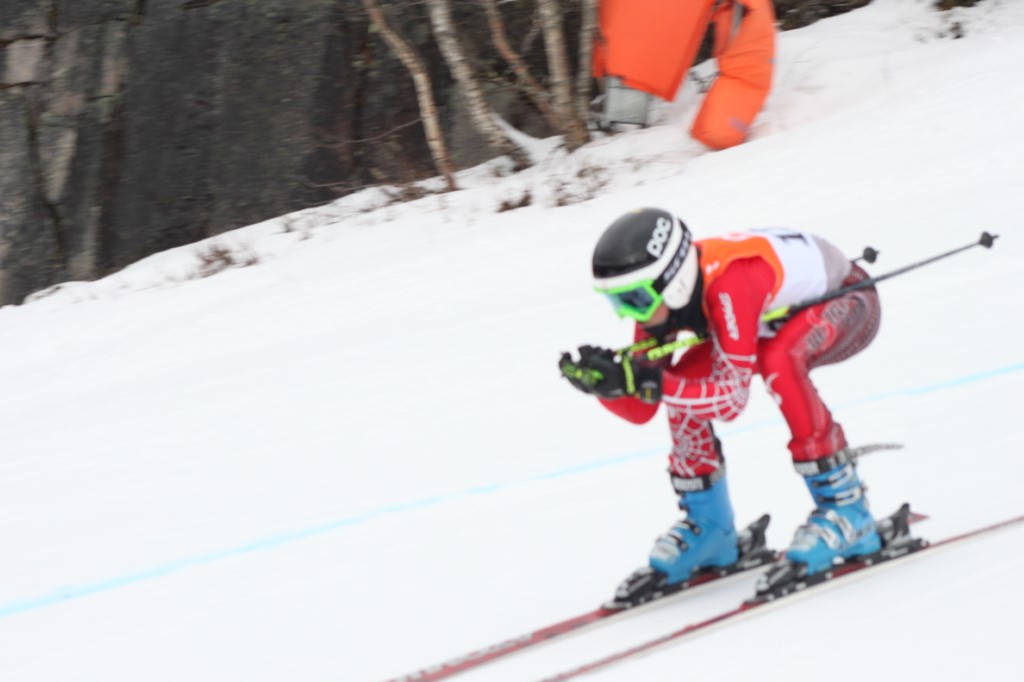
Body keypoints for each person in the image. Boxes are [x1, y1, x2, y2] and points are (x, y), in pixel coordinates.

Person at [559, 207, 882, 586]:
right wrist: (610, 386)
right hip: (770, 317)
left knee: (780, 359)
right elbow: (640, 409)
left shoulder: (731, 283)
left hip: (849, 301)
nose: (629, 314)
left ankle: (848, 508)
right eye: (617, 301)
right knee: (682, 381)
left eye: (634, 298)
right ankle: (712, 526)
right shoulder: (659, 302)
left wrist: (655, 383)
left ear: (673, 282)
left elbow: (731, 400)